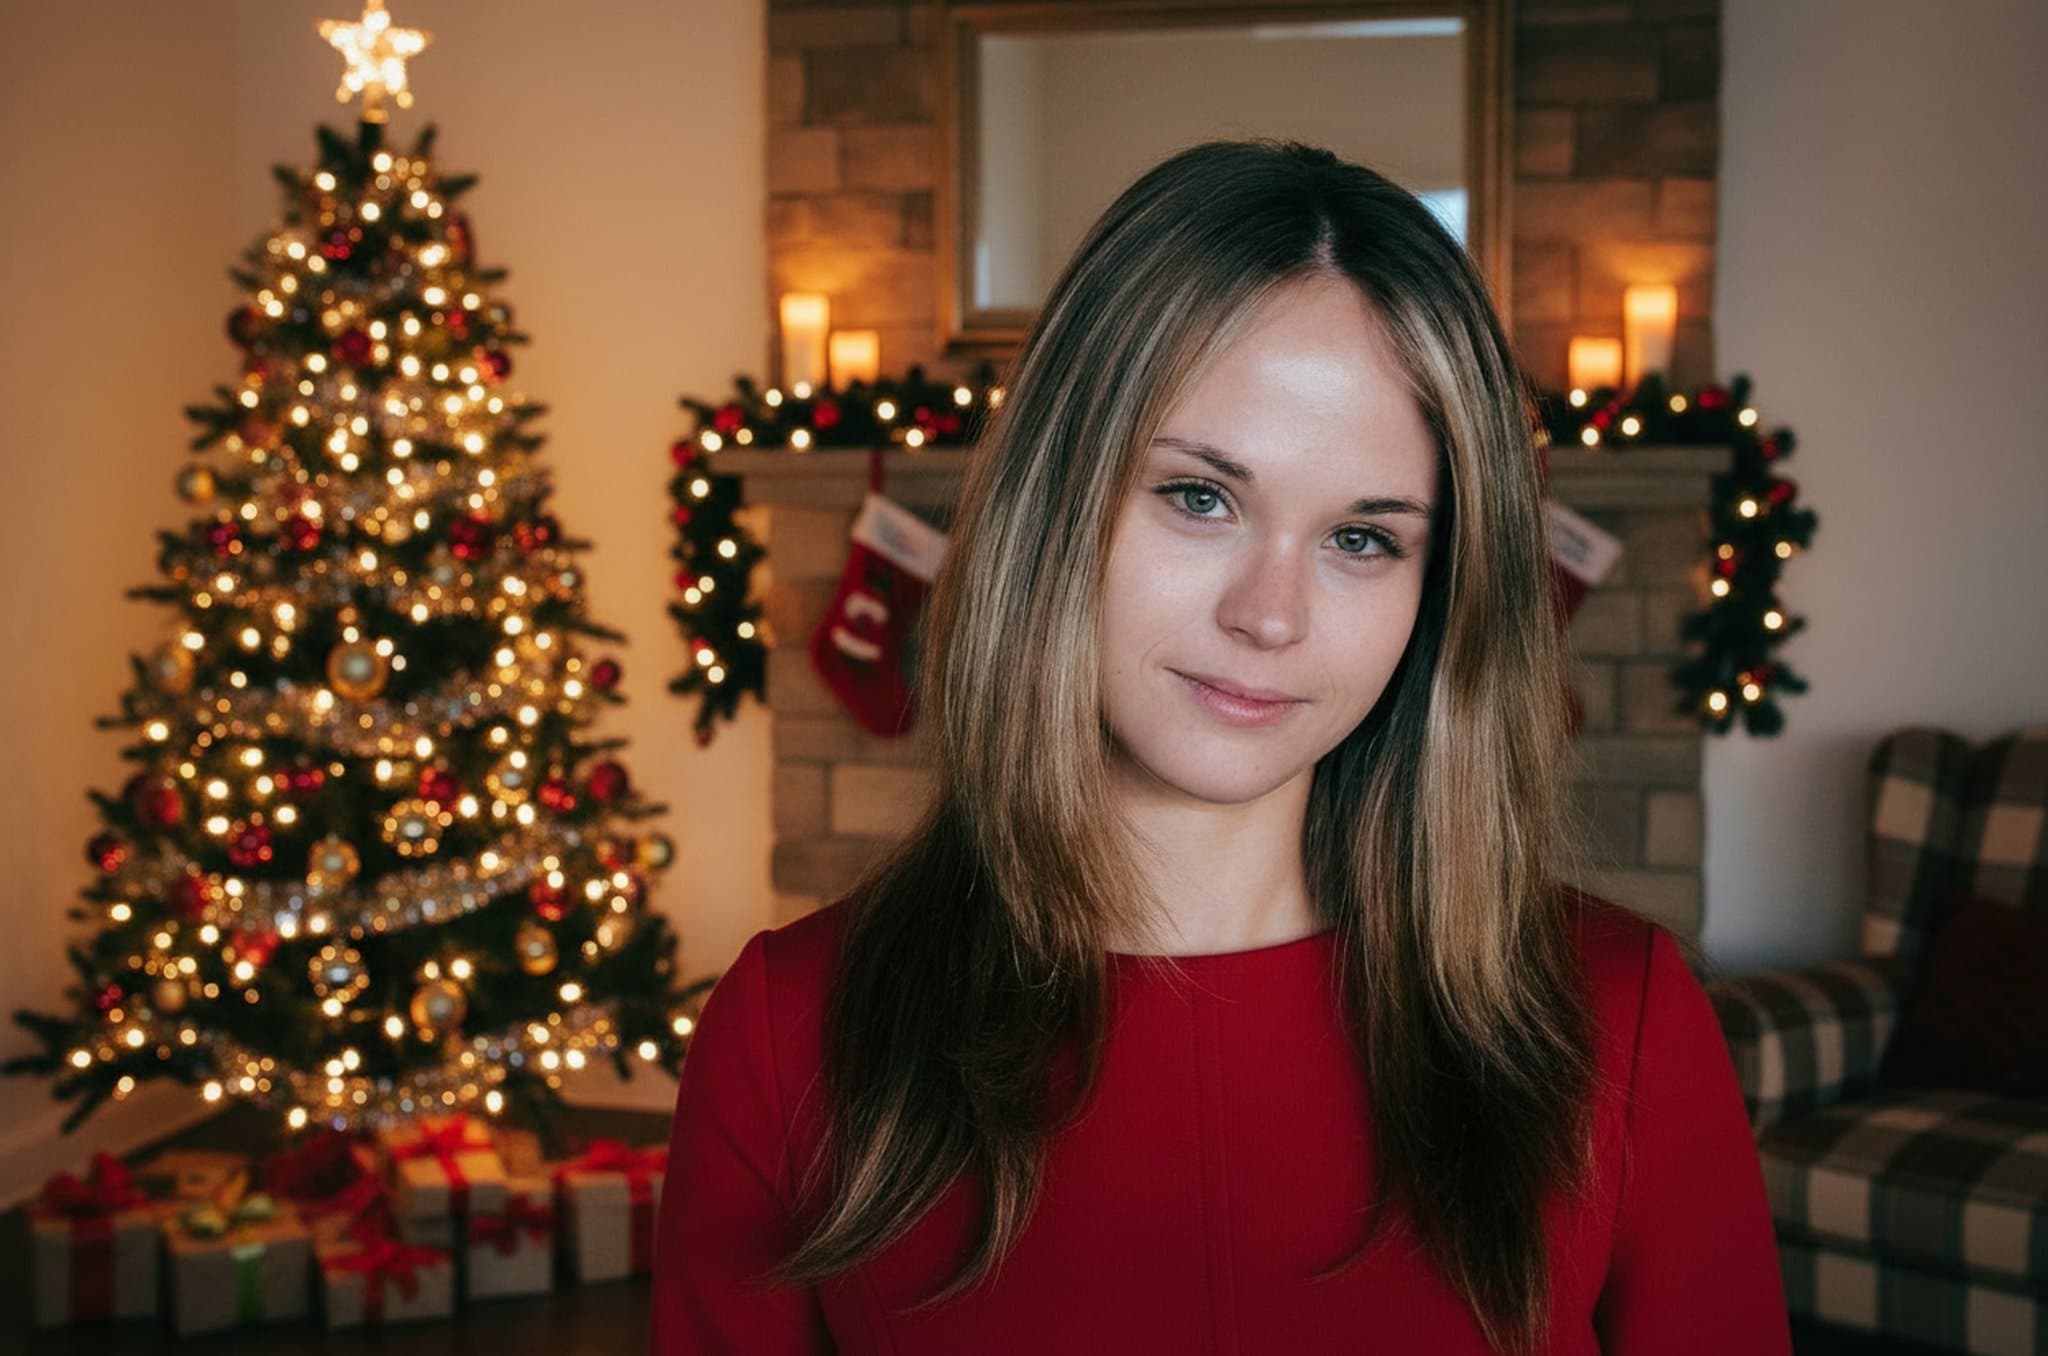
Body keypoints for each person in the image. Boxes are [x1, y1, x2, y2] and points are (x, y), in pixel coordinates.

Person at [649, 138, 1791, 1355]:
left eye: (1362, 538)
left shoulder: (1620, 1019)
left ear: (1436, 588)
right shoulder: (790, 1033)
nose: (1269, 615)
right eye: (1200, 497)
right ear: (1058, 501)